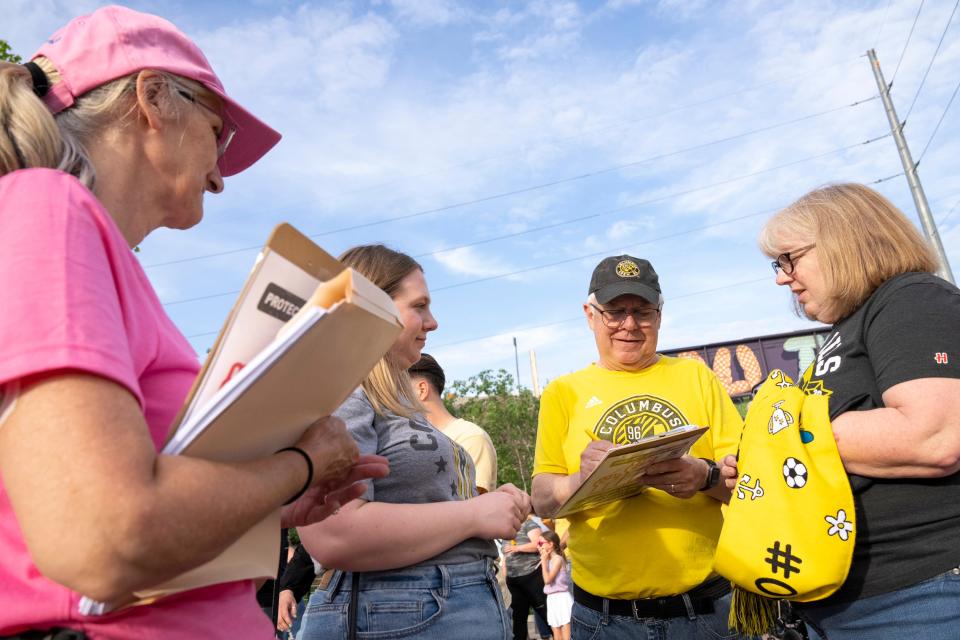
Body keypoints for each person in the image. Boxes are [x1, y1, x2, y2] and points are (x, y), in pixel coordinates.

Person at [0, 7, 387, 639]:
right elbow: (104, 538)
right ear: (153, 98)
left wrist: (272, 502)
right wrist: (303, 462)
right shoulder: (45, 206)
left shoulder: (92, 252)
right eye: (219, 133)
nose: (220, 176)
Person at [750, 183, 960, 640]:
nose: (781, 278)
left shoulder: (911, 298)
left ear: (844, 242)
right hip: (854, 599)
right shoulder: (846, 329)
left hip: (919, 594)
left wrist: (779, 440)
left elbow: (934, 436)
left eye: (790, 259)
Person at [296, 245, 531, 639]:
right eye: (419, 306)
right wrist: (474, 515)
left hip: (432, 606)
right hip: (399, 609)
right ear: (369, 306)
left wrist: (488, 504)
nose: (433, 322)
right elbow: (331, 533)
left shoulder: (392, 400)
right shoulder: (340, 389)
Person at [531, 254, 746, 639]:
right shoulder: (562, 393)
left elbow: (750, 485)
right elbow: (542, 500)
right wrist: (583, 478)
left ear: (660, 315)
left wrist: (703, 475)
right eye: (615, 311)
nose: (629, 325)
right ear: (590, 314)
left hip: (708, 612)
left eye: (642, 312)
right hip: (604, 621)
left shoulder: (696, 376)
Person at [409, 352, 499, 492]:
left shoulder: (470, 438)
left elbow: (472, 505)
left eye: (398, 389)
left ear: (422, 390)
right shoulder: (412, 440)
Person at [503, 516, 550, 640]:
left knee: (547, 614)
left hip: (532, 576)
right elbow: (506, 557)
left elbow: (539, 543)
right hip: (513, 580)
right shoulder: (506, 531)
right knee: (518, 619)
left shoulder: (528, 523)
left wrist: (516, 548)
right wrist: (505, 576)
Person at [538, 530, 573, 640]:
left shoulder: (557, 559)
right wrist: (545, 560)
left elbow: (547, 580)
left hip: (562, 598)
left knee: (566, 635)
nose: (539, 546)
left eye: (541, 543)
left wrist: (543, 562)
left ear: (551, 544)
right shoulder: (549, 560)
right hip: (552, 599)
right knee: (556, 635)